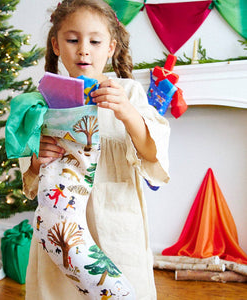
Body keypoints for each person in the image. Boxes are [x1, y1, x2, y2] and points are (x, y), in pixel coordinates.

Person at [19, 0, 170, 299]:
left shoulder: (128, 92)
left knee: (124, 287)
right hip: (62, 225)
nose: (83, 49)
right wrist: (38, 159)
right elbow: (30, 174)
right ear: (57, 44)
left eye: (95, 41)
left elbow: (153, 153)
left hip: (117, 219)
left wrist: (126, 112)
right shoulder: (41, 101)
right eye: (72, 40)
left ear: (111, 47)